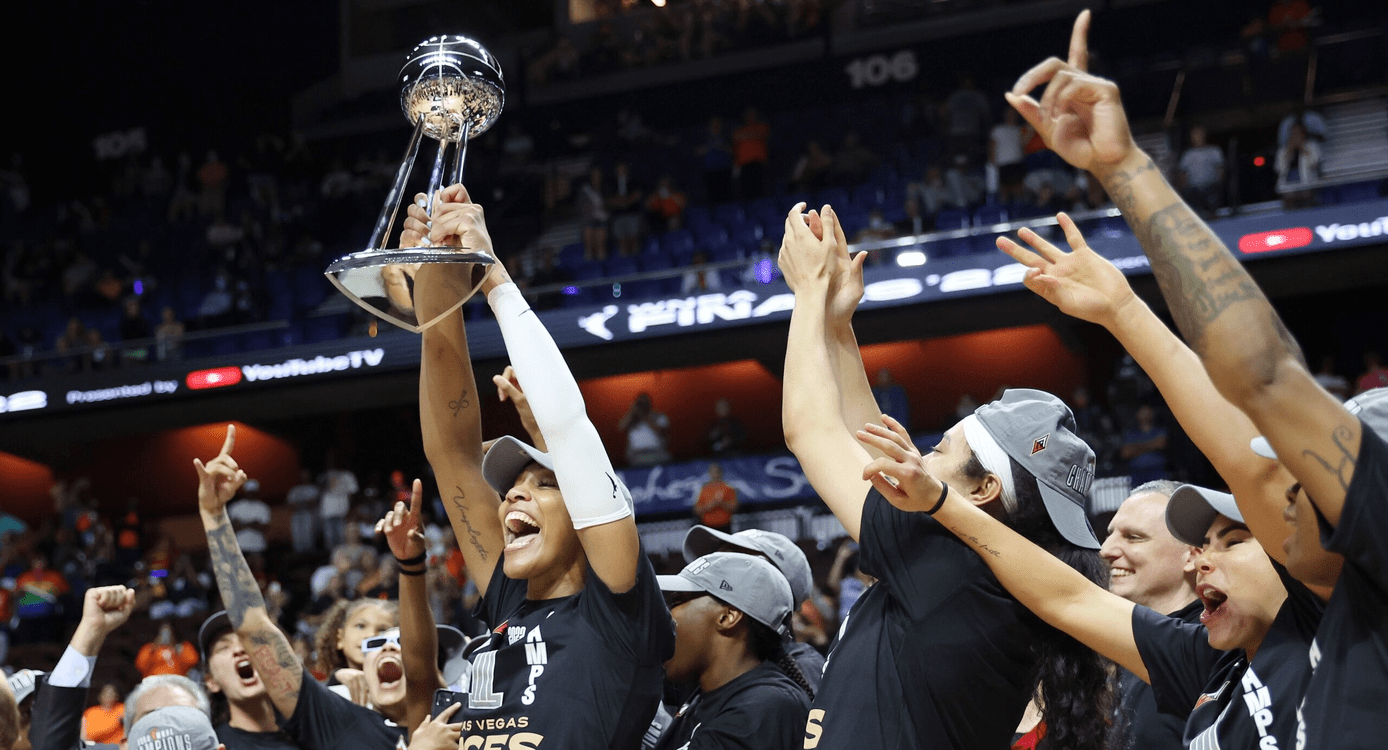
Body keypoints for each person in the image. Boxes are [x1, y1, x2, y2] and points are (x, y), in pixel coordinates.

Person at [1000, 14, 1384, 744]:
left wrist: (1125, 171)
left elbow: (1261, 378)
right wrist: (1121, 310)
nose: (1279, 498)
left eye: (1308, 485)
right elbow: (1246, 441)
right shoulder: (1325, 617)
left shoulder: (1346, 583)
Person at [777, 197, 1111, 749]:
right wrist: (837, 327)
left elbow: (808, 431)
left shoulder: (954, 562)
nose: (918, 459)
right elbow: (868, 451)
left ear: (984, 490)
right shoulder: (991, 572)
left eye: (939, 450)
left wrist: (809, 295)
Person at [407, 184, 675, 749]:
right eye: (511, 487)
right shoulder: (509, 598)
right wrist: (437, 294)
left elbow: (568, 427)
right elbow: (453, 456)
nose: (511, 496)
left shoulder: (616, 610)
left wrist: (493, 275)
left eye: (542, 483)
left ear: (584, 512)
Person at [194, 426, 410, 750]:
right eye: (365, 628)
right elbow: (254, 628)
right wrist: (214, 516)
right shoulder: (332, 717)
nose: (374, 640)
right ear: (339, 637)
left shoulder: (451, 710)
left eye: (389, 633)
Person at [652, 554, 810, 750]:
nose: (667, 613)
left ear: (727, 616)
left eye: (678, 601)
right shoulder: (709, 692)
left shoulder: (763, 705)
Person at [1099, 481, 1200, 750]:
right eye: (1110, 534)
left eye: (1134, 537)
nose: (1106, 550)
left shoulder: (1211, 650)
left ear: (1192, 555)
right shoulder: (1118, 646)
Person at [682, 526, 826, 691]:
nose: (712, 571)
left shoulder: (802, 670)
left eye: (733, 560)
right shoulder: (702, 663)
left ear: (775, 583)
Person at [197, 611, 299, 750]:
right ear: (211, 682)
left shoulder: (311, 732)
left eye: (249, 640)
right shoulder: (212, 745)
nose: (239, 649)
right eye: (223, 647)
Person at [1176, 126, 1223, 214]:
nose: (1197, 137)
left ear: (1204, 135)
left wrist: (1219, 185)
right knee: (1198, 214)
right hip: (1194, 190)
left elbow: (1220, 169)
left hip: (1212, 188)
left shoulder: (1214, 151)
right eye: (1194, 135)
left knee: (1213, 213)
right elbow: (1183, 173)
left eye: (1199, 134)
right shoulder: (1187, 154)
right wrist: (1185, 189)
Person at [226, 480, 271, 571]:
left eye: (253, 492)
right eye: (249, 492)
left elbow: (264, 527)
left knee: (259, 573)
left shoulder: (263, 507)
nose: (250, 494)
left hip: (258, 547)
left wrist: (242, 524)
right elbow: (232, 528)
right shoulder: (235, 507)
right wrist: (253, 524)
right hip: (240, 547)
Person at [620, 392, 672, 467]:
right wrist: (633, 410)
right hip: (637, 456)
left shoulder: (659, 417)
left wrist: (645, 416)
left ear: (649, 403)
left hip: (657, 454)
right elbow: (621, 427)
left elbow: (661, 432)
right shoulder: (632, 420)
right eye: (640, 403)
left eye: (645, 403)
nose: (642, 406)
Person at [1119, 405, 1167, 483]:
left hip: (1157, 472)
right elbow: (1125, 453)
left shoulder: (1160, 430)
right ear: (1137, 414)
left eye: (1147, 411)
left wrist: (1135, 448)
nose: (1145, 414)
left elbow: (1161, 444)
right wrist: (1152, 444)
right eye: (1142, 412)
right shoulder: (1131, 433)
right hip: (1137, 473)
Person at [692, 464, 738, 534]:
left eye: (717, 472)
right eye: (712, 472)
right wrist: (710, 505)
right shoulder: (703, 489)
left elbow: (735, 508)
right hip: (708, 527)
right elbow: (697, 510)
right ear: (709, 474)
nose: (715, 474)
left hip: (725, 526)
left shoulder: (728, 488)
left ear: (721, 473)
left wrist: (722, 503)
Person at [286, 469, 320, 554]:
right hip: (296, 516)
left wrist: (300, 504)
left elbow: (314, 503)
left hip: (309, 516)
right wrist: (304, 503)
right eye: (302, 475)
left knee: (309, 536)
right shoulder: (294, 490)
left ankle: (310, 554)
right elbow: (289, 505)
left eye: (305, 475)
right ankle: (298, 554)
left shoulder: (313, 489)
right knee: (297, 536)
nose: (303, 477)